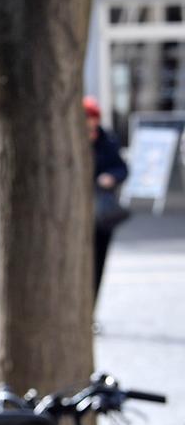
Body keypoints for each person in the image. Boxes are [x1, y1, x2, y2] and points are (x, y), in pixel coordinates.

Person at [87, 95, 129, 296]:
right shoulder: (69, 143)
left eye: (92, 117)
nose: (89, 122)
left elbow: (122, 168)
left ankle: (90, 312)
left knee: (97, 263)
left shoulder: (107, 140)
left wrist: (110, 177)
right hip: (76, 213)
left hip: (101, 214)